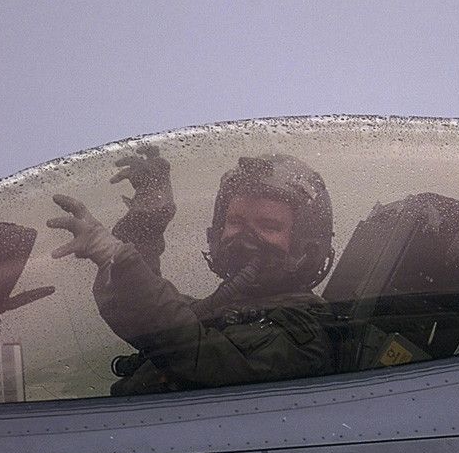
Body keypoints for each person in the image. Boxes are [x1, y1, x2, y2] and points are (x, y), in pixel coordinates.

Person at [47, 148, 335, 396]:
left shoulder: (303, 332)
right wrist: (148, 216)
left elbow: (196, 352)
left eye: (269, 226)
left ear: (304, 245)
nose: (245, 238)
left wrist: (115, 254)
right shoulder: (238, 309)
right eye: (235, 221)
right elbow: (154, 309)